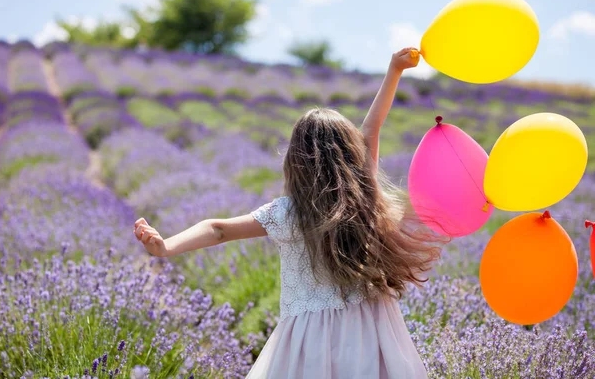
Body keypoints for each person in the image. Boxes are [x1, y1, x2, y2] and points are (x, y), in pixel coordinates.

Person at [134, 47, 446, 378]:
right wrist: (394, 70)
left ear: (296, 160)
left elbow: (218, 229)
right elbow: (371, 130)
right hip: (371, 327)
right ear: (352, 155)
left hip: (309, 339)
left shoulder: (289, 213)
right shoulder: (365, 199)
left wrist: (165, 246)